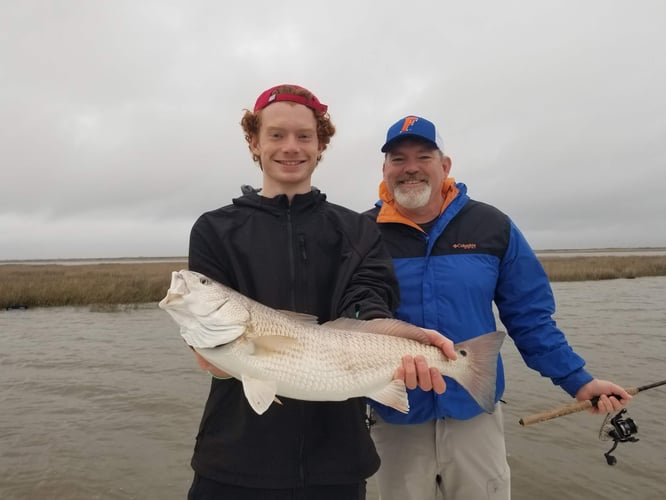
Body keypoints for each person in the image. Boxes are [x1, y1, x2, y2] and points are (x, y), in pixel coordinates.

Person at [184, 86, 453, 500]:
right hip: (233, 458)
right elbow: (209, 337)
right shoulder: (215, 229)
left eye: (304, 136)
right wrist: (209, 352)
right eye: (276, 135)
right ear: (254, 142)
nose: (290, 147)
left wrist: (392, 340)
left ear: (321, 144)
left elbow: (367, 298)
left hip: (337, 462)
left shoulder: (358, 229)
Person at [365, 115, 633, 500]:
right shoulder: (362, 233)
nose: (410, 168)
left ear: (445, 166)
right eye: (398, 159)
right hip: (395, 413)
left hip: (475, 410)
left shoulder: (492, 226)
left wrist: (579, 380)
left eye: (423, 156)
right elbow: (346, 317)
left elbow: (530, 318)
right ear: (385, 169)